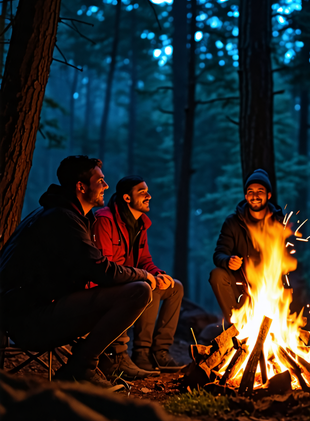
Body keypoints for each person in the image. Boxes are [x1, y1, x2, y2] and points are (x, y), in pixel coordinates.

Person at [0, 156, 155, 386]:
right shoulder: (63, 219)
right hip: (29, 320)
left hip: (34, 310)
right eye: (100, 181)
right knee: (138, 291)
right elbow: (101, 270)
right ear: (81, 187)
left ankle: (90, 363)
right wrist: (144, 275)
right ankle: (81, 367)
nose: (106, 186)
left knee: (133, 287)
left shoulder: (64, 214)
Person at [93, 176, 184, 377]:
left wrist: (158, 274)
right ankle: (141, 353)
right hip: (108, 286)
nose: (149, 196)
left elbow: (144, 259)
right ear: (127, 198)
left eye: (148, 192)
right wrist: (143, 276)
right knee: (146, 285)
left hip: (133, 280)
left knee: (174, 286)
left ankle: (160, 351)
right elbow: (104, 267)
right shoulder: (104, 220)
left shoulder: (140, 224)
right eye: (142, 192)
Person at [209, 169, 284, 322]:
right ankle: (236, 330)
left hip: (271, 290)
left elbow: (291, 260)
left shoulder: (279, 224)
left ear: (268, 195)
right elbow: (219, 254)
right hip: (240, 291)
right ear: (245, 196)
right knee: (217, 275)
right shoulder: (233, 222)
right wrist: (228, 261)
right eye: (250, 191)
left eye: (260, 191)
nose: (255, 196)